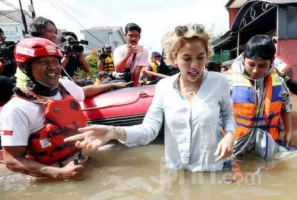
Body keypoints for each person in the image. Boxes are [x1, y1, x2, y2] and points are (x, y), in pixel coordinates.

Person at [65, 24, 236, 171]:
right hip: (178, 170)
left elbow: (228, 114)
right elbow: (149, 130)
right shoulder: (164, 87)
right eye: (186, 58)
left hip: (213, 167)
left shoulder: (219, 82)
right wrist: (113, 132)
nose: (194, 65)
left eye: (201, 58)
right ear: (174, 58)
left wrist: (229, 135)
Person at [0, 38, 88, 180]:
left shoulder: (66, 86)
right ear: (25, 67)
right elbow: (12, 161)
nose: (53, 67)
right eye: (43, 62)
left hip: (82, 162)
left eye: (55, 61)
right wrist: (60, 173)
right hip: (50, 176)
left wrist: (112, 86)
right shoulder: (16, 109)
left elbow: (86, 92)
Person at [228, 35, 293, 158]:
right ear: (243, 58)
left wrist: (289, 131)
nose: (255, 70)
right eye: (251, 64)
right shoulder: (228, 80)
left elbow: (286, 107)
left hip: (267, 139)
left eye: (262, 66)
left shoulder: (279, 81)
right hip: (237, 141)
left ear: (272, 61)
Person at [16, 17, 58, 89]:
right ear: (37, 32)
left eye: (55, 32)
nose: (54, 35)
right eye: (49, 31)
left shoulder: (52, 51)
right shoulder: (29, 49)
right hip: (31, 91)